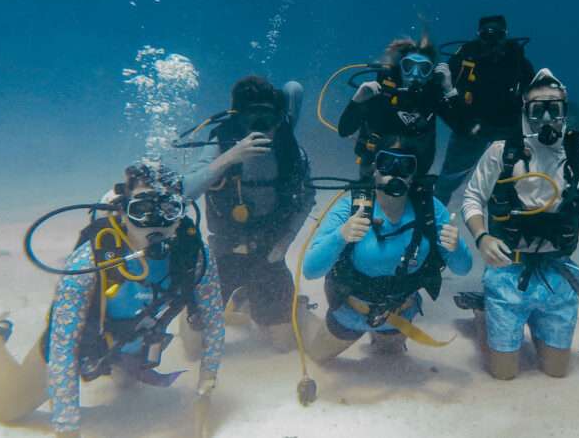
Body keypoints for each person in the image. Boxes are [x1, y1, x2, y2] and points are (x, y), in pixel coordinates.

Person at [0, 163, 225, 438]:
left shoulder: (195, 255)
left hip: (134, 341)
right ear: (122, 212)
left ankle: (122, 367)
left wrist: (205, 390)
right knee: (8, 409)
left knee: (127, 386)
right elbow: (63, 348)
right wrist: (67, 428)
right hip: (84, 343)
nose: (156, 223)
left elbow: (213, 322)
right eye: (142, 209)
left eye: (169, 209)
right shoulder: (89, 260)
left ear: (181, 213)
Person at [461, 69, 579, 380]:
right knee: (504, 374)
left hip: (558, 272)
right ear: (525, 111)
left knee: (557, 371)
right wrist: (482, 237)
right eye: (538, 110)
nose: (547, 118)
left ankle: (534, 324)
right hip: (508, 271)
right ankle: (485, 312)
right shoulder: (501, 151)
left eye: (554, 108)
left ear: (565, 111)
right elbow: (472, 198)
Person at [302, 136, 472, 362]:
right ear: (374, 168)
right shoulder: (351, 206)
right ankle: (302, 313)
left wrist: (456, 246)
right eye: (387, 163)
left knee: (388, 361)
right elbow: (310, 270)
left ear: (413, 174)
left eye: (405, 165)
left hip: (399, 313)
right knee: (317, 358)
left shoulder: (430, 209)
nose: (395, 173)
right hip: (350, 312)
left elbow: (463, 268)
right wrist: (340, 236)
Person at [182, 76, 315, 351]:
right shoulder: (222, 142)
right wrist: (229, 157)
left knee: (284, 345)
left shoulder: (288, 148)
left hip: (269, 253)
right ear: (237, 117)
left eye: (268, 117)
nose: (260, 126)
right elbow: (185, 192)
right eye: (251, 117)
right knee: (194, 349)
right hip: (224, 253)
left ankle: (252, 299)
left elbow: (307, 198)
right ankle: (239, 298)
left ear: (279, 117)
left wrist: (285, 241)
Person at [435, 15, 535, 204]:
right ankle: (434, 213)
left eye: (497, 35)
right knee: (449, 177)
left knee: (508, 180)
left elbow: (533, 97)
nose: (492, 41)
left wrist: (522, 133)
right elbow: (441, 97)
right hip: (469, 127)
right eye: (485, 36)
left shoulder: (518, 60)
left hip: (507, 129)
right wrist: (461, 125)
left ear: (505, 35)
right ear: (478, 35)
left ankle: (507, 216)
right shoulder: (465, 57)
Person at [339, 36, 448, 177]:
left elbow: (463, 129)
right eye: (408, 67)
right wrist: (357, 100)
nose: (415, 74)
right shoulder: (381, 92)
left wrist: (451, 91)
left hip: (413, 172)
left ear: (431, 73)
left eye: (424, 69)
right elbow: (344, 130)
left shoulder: (432, 96)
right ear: (399, 67)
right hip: (374, 168)